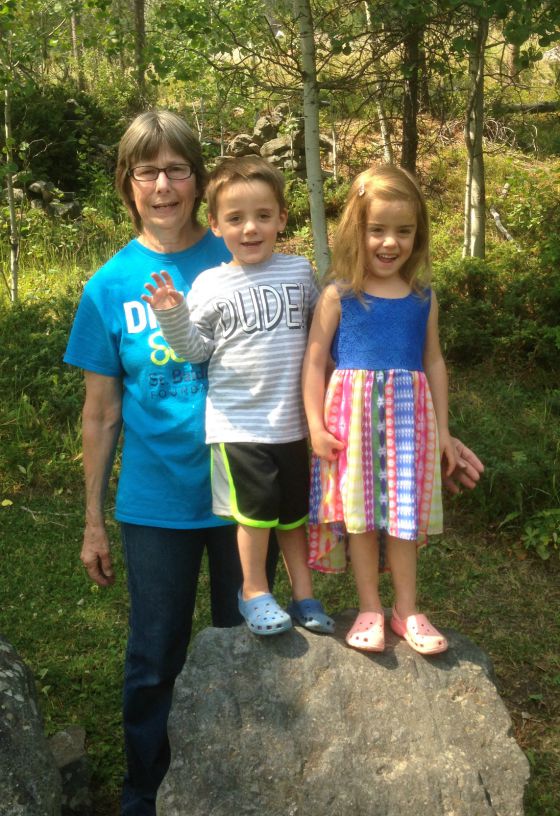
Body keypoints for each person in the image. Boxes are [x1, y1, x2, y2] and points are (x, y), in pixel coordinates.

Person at [63, 111, 279, 816]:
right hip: (155, 502)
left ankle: (242, 782)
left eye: (177, 169)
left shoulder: (239, 255)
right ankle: (145, 791)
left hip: (242, 493)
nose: (163, 185)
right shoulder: (108, 286)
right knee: (154, 659)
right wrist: (93, 521)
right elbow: (100, 413)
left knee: (244, 640)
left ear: (198, 177)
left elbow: (298, 353)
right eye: (147, 171)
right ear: (127, 184)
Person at [143, 155, 335, 638]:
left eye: (263, 216)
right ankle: (253, 592)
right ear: (215, 224)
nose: (251, 229)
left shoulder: (298, 272)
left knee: (293, 516)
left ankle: (305, 594)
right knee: (254, 517)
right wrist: (172, 315)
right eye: (235, 219)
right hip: (238, 428)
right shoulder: (210, 284)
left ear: (282, 218)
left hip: (294, 424)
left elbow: (322, 339)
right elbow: (195, 351)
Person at [302, 163, 468, 655]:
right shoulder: (339, 296)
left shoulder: (422, 298)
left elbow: (433, 360)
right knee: (360, 518)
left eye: (403, 230)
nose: (389, 242)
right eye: (377, 229)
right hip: (351, 424)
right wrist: (314, 424)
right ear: (357, 230)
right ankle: (370, 607)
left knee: (402, 517)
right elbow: (314, 362)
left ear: (417, 235)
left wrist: (442, 429)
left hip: (408, 424)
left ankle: (407, 609)